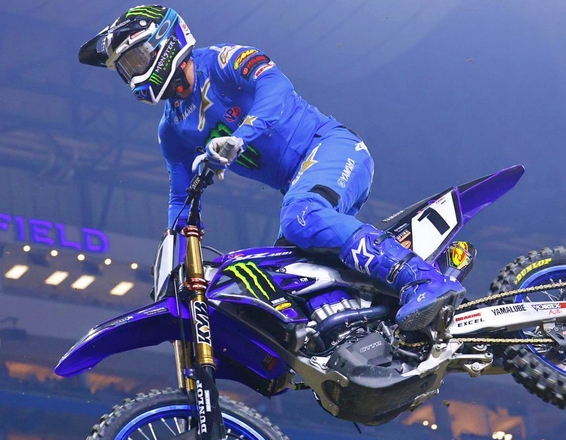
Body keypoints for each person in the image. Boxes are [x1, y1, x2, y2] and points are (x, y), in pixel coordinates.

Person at [79, 5, 464, 330]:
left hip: (333, 147)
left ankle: (423, 280)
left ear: (165, 41)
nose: (132, 74)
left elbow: (277, 90)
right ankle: (370, 331)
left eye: (135, 59)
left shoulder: (223, 60)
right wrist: (172, 268)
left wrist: (240, 137)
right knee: (287, 274)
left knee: (302, 216)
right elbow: (181, 198)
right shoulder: (172, 130)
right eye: (124, 68)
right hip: (301, 182)